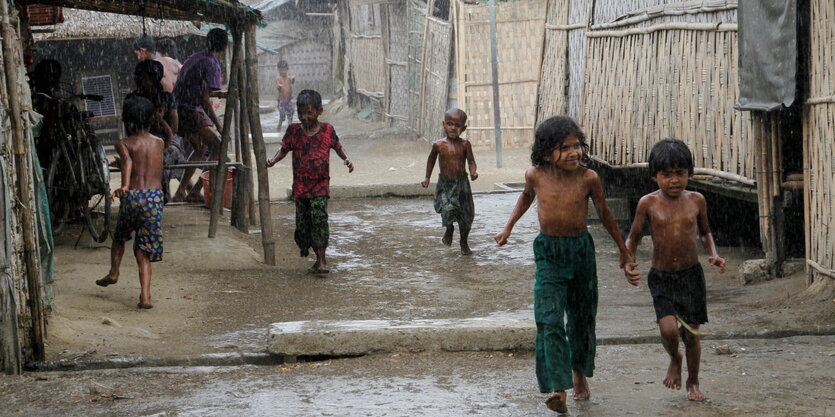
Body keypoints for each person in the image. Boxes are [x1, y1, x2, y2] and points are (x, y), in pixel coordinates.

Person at [493, 115, 631, 414]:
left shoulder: (588, 178)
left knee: (581, 317)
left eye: (576, 146)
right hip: (549, 253)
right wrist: (508, 228)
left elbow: (605, 213)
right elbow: (525, 199)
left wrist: (623, 250)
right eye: (564, 147)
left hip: (580, 251)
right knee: (549, 318)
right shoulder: (536, 175)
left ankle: (579, 373)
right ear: (545, 153)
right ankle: (558, 388)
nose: (573, 153)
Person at [623, 138, 726, 402]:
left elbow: (705, 232)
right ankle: (674, 358)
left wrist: (713, 254)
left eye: (680, 174)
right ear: (654, 175)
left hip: (691, 276)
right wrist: (627, 260)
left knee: (691, 334)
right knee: (668, 330)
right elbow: (632, 237)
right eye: (666, 175)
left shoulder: (696, 200)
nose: (673, 181)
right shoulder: (647, 203)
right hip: (661, 276)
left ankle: (693, 382)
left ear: (689, 173)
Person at [266, 90, 354, 274]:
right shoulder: (294, 132)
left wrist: (346, 159)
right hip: (300, 188)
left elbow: (337, 147)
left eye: (309, 112)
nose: (305, 117)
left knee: (319, 221)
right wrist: (273, 161)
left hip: (320, 186)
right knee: (303, 224)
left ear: (319, 111)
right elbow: (283, 149)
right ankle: (311, 253)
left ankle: (322, 261)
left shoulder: (327, 130)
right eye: (301, 113)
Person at [95, 95, 165, 309]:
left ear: (127, 120)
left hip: (133, 196)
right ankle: (145, 296)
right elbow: (141, 160)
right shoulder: (159, 142)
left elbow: (128, 160)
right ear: (151, 119)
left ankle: (114, 272)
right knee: (143, 250)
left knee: (120, 237)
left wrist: (125, 185)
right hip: (154, 198)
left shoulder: (124, 143)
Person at [172, 28, 229, 202]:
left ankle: (182, 190)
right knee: (218, 147)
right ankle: (195, 190)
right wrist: (218, 125)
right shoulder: (212, 63)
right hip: (190, 109)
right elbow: (204, 100)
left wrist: (219, 94)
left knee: (201, 147)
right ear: (225, 46)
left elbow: (198, 89)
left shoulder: (195, 57)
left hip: (177, 109)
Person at [420, 108, 478, 255]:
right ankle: (449, 228)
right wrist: (427, 177)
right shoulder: (438, 145)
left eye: (457, 125)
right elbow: (431, 160)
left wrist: (473, 171)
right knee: (447, 208)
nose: (453, 127)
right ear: (443, 125)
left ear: (463, 128)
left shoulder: (465, 144)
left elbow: (471, 161)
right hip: (445, 183)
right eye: (450, 124)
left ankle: (464, 241)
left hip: (462, 183)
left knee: (466, 214)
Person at [132, 60, 180, 202]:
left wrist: (159, 120)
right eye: (137, 76)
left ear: (153, 78)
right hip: (141, 142)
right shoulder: (134, 99)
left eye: (142, 77)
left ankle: (162, 198)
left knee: (159, 160)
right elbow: (131, 129)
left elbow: (174, 129)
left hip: (168, 142)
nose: (138, 80)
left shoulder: (167, 98)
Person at [275, 60, 295, 129]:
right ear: (278, 70)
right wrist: (279, 86)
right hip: (282, 102)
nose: (283, 71)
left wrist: (293, 79)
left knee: (290, 114)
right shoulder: (278, 78)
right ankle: (280, 124)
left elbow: (292, 82)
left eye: (284, 70)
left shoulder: (289, 78)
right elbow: (278, 85)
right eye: (281, 70)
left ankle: (290, 127)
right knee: (282, 116)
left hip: (289, 101)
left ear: (287, 69)